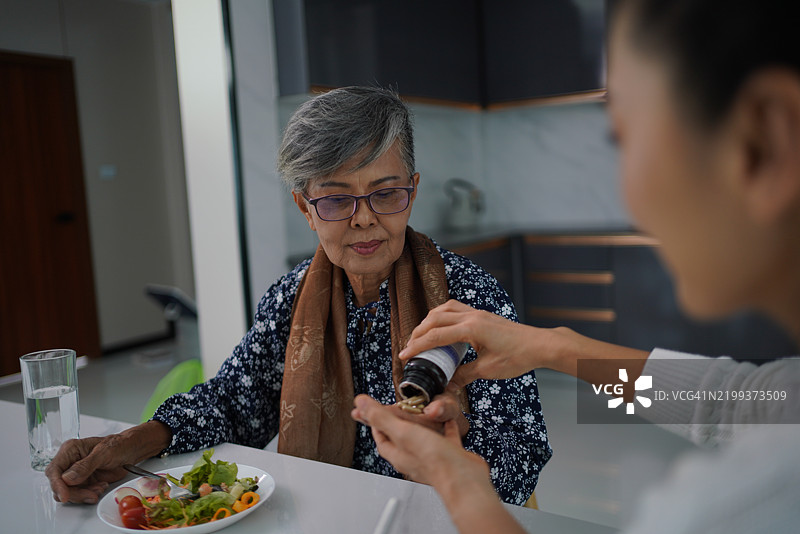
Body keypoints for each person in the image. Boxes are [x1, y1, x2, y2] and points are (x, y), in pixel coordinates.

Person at [351, 1, 800, 533]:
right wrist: (555, 346)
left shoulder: (733, 507)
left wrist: (455, 485)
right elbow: (742, 402)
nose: (629, 200)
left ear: (763, 144)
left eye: (624, 137)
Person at [45, 86, 551, 506]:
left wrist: (455, 465)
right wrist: (129, 443)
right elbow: (236, 401)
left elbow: (523, 452)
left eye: (386, 192)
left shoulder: (467, 300)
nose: (364, 218)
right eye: (335, 198)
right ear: (304, 208)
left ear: (412, 192)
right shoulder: (290, 299)